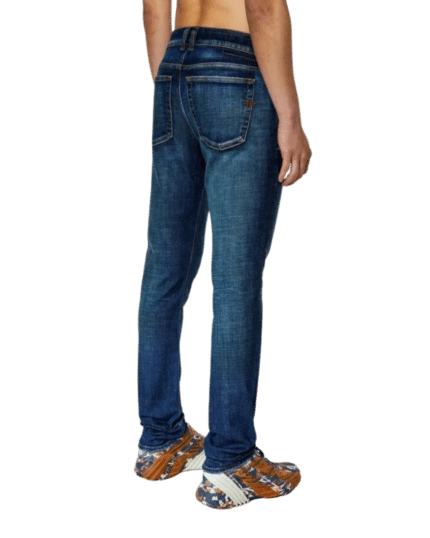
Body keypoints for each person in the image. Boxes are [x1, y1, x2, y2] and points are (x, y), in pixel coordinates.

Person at [133, 0, 312, 511]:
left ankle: (161, 440)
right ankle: (231, 461)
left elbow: (153, 5)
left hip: (173, 67)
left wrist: (173, 85)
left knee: (164, 273)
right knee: (236, 281)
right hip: (236, 67)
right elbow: (263, 7)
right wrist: (291, 117)